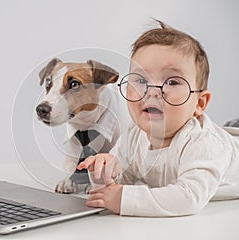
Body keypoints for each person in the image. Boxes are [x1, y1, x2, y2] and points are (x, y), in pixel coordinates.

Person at [77, 20, 239, 217]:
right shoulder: (133, 134)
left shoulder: (203, 143)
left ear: (200, 103)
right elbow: (120, 183)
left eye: (171, 81)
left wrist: (125, 200)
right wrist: (103, 173)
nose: (152, 92)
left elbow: (189, 197)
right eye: (141, 80)